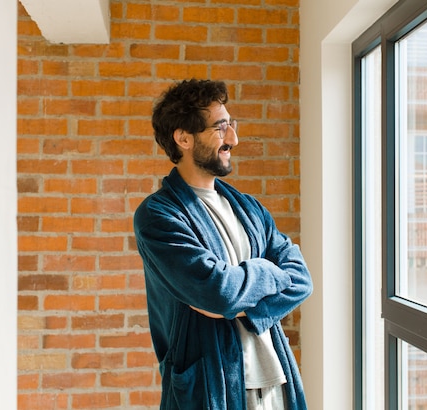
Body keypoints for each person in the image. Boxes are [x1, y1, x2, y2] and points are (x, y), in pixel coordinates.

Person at [133, 78, 313, 410]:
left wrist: (233, 301)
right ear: (183, 138)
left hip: (276, 382)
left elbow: (302, 280)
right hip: (212, 386)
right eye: (220, 128)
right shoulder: (158, 216)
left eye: (231, 126)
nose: (233, 139)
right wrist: (268, 273)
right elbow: (219, 293)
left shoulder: (250, 208)